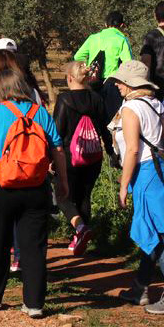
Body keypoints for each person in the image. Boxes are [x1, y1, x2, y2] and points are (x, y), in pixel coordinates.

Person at [0, 69, 70, 319]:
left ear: (0, 89)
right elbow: (57, 148)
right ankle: (34, 303)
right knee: (34, 246)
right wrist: (62, 181)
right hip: (35, 185)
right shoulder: (40, 112)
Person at [107, 61, 164, 315]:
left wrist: (123, 186)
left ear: (131, 84)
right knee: (152, 228)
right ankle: (140, 286)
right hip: (162, 170)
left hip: (147, 173)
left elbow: (132, 149)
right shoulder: (155, 103)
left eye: (120, 81)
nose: (117, 85)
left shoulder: (131, 108)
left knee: (154, 231)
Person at [52, 61, 113, 256]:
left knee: (63, 196)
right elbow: (104, 128)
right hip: (93, 155)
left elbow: (58, 131)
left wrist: (52, 157)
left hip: (70, 157)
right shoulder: (96, 98)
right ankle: (81, 239)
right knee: (84, 196)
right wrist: (110, 151)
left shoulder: (64, 99)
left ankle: (81, 230)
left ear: (69, 78)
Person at [74, 11, 134, 121]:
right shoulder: (121, 40)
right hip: (112, 83)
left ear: (105, 24)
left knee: (95, 118)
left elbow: (78, 56)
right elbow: (128, 63)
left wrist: (87, 66)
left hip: (93, 81)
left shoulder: (93, 38)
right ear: (122, 25)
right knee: (112, 119)